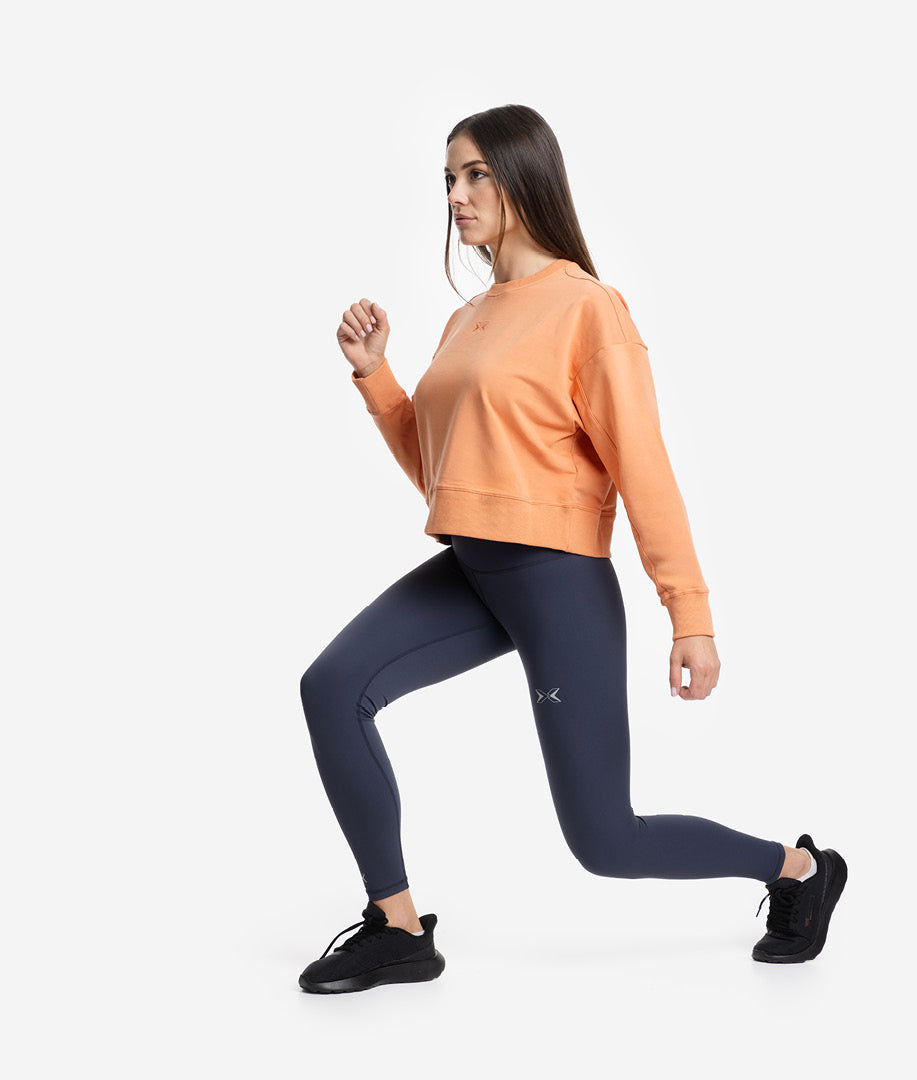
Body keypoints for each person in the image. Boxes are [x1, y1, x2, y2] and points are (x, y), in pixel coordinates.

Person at [297, 104, 846, 995]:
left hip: (557, 584)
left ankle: (801, 871)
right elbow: (444, 475)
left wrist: (690, 615)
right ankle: (396, 929)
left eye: (476, 174)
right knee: (331, 688)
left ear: (526, 178)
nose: (456, 195)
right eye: (449, 178)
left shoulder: (588, 308)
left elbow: (645, 470)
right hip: (472, 571)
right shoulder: (467, 320)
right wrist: (376, 374)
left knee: (605, 841)